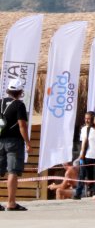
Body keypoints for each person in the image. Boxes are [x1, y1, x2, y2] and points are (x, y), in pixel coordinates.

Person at [0, 78, 29, 211]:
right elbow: (22, 125)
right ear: (20, 91)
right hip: (14, 142)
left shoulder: (0, 102)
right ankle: (11, 203)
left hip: (0, 141)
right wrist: (28, 142)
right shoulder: (19, 105)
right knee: (12, 171)